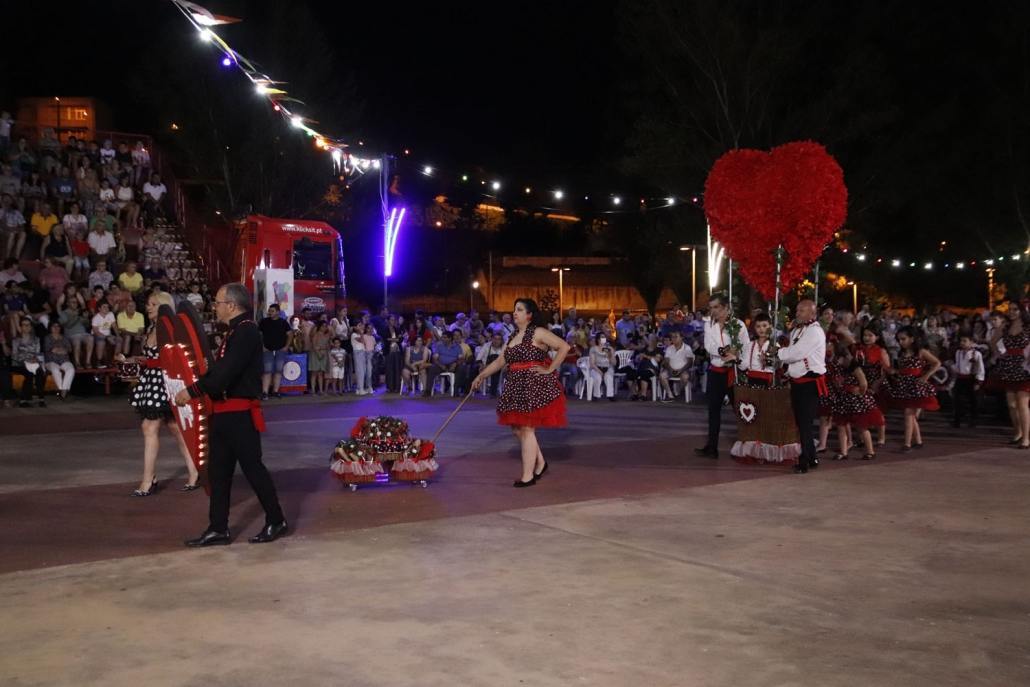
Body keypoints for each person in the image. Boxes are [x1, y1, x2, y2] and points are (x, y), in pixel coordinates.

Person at [174, 282, 287, 546]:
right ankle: (218, 527)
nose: (215, 308)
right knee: (219, 472)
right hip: (225, 415)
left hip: (239, 416)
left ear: (232, 306)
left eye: (218, 303)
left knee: (253, 470)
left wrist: (192, 391)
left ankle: (276, 519)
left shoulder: (246, 333)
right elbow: (221, 371)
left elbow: (224, 375)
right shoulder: (236, 332)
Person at [472, 298, 569, 487]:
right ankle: (540, 462)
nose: (515, 313)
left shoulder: (538, 332)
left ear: (529, 314)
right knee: (517, 428)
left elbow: (564, 347)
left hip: (533, 384)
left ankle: (528, 476)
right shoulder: (513, 336)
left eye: (519, 309)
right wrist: (481, 376)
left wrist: (550, 369)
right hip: (515, 384)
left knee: (526, 428)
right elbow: (501, 361)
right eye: (514, 309)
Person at [122, 291, 199, 496]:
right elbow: (152, 358)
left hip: (167, 383)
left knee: (161, 427)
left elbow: (177, 358)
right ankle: (177, 474)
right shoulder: (149, 329)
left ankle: (150, 480)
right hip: (152, 382)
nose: (149, 308)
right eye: (148, 304)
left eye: (154, 304)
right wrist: (138, 360)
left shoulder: (172, 329)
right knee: (169, 428)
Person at [774, 299, 826, 474]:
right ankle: (811, 457)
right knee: (802, 422)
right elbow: (795, 356)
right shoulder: (797, 330)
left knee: (804, 422)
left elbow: (797, 353)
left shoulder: (814, 332)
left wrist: (777, 353)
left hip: (809, 383)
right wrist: (787, 373)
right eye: (797, 310)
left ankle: (805, 460)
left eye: (802, 311)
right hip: (798, 382)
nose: (797, 314)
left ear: (813, 313)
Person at [695, 293, 750, 458]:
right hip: (716, 372)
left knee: (739, 409)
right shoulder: (709, 325)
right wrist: (721, 351)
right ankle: (712, 447)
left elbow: (745, 346)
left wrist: (736, 355)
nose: (713, 311)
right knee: (713, 410)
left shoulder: (738, 325)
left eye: (716, 307)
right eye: (711, 308)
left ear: (726, 307)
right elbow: (708, 345)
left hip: (733, 372)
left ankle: (748, 445)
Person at [884, 325, 941, 452]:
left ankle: (907, 444)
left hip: (916, 386)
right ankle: (918, 441)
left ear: (912, 339)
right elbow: (903, 370)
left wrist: (926, 376)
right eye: (899, 339)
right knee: (910, 415)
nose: (901, 342)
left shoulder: (921, 351)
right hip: (905, 385)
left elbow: (937, 363)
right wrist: (895, 372)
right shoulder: (902, 353)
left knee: (909, 414)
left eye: (903, 339)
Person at [830, 345, 884, 461]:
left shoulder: (855, 368)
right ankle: (843, 452)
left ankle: (870, 451)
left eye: (840, 358)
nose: (838, 361)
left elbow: (863, 383)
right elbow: (836, 382)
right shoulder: (839, 369)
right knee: (841, 425)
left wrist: (860, 393)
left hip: (856, 400)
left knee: (862, 426)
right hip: (844, 399)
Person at [988, 310, 1030, 448]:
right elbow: (993, 342)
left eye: (1015, 309)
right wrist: (1000, 354)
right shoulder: (1005, 327)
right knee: (1012, 405)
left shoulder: (1027, 326)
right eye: (1010, 309)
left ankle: (1026, 438)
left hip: (1024, 366)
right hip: (1009, 365)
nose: (1012, 312)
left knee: (1022, 403)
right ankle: (1018, 433)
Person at [11, 317, 46, 407]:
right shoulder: (16, 340)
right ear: (21, 327)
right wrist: (26, 359)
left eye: (28, 325)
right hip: (19, 364)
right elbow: (14, 355)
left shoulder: (36, 339)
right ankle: (23, 400)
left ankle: (41, 398)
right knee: (29, 374)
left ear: (31, 327)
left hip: (33, 362)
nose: (26, 327)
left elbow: (38, 352)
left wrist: (35, 359)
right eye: (24, 325)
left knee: (40, 372)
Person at [258, 304, 292, 399]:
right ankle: (265, 392)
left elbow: (290, 334)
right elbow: (259, 334)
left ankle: (275, 391)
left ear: (278, 312)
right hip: (267, 350)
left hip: (280, 350)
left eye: (272, 311)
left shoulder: (283, 322)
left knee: (278, 370)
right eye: (269, 311)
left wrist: (286, 346)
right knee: (267, 371)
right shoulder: (264, 322)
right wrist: (262, 346)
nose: (270, 312)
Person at [952, 333, 984, 428]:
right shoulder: (958, 352)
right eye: (961, 341)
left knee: (973, 400)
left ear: (971, 342)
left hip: (971, 379)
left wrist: (978, 382)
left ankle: (973, 419)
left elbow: (980, 368)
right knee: (957, 399)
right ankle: (957, 420)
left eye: (965, 341)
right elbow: (957, 365)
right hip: (960, 378)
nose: (962, 343)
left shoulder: (976, 354)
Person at [739, 313, 775, 388]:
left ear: (770, 327)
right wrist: (736, 358)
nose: (761, 329)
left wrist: (768, 361)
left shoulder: (773, 345)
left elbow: (778, 365)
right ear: (754, 328)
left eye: (764, 326)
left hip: (768, 381)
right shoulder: (750, 345)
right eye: (758, 326)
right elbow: (743, 366)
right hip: (752, 380)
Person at [43, 321, 76, 400]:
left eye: (58, 326)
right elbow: (50, 349)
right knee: (55, 370)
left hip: (64, 360)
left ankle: (63, 390)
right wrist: (60, 350)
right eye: (54, 326)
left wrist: (61, 350)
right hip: (51, 361)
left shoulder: (64, 337)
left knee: (71, 369)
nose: (56, 328)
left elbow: (69, 349)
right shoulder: (47, 338)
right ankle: (62, 390)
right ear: (50, 328)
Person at [659, 329, 695, 400]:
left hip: (683, 370)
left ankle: (678, 391)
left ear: (681, 338)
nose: (674, 339)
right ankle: (670, 394)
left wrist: (681, 370)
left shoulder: (687, 348)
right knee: (662, 376)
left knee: (685, 377)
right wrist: (670, 369)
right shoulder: (669, 348)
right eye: (672, 337)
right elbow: (666, 362)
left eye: (676, 337)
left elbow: (690, 362)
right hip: (670, 369)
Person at [587, 333, 616, 401]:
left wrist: (609, 355)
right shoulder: (593, 349)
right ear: (598, 340)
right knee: (597, 378)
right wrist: (600, 371)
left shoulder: (610, 348)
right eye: (602, 337)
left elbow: (614, 363)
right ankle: (596, 395)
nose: (604, 339)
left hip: (607, 367)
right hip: (596, 368)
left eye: (604, 337)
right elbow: (592, 363)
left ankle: (610, 395)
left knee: (609, 377)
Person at [308, 319, 331, 395]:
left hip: (323, 354)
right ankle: (313, 391)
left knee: (321, 373)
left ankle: (321, 390)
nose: (324, 328)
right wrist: (319, 353)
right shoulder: (316, 334)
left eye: (325, 326)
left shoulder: (327, 335)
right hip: (315, 354)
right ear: (319, 327)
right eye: (323, 326)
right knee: (314, 373)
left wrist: (324, 350)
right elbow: (314, 345)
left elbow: (328, 345)